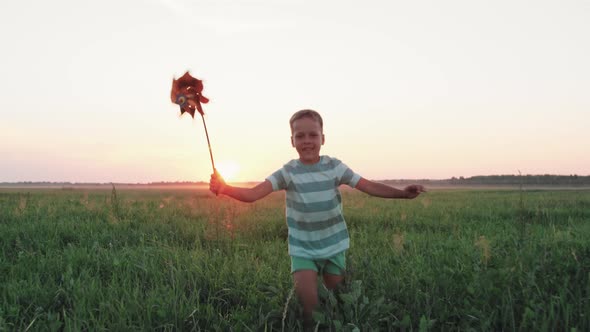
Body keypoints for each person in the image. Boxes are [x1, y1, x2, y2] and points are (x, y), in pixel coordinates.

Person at [209, 109, 425, 328]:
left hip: (334, 247)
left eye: (313, 135)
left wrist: (402, 193)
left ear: (323, 138)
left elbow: (368, 186)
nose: (307, 141)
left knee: (337, 304)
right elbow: (252, 194)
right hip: (303, 250)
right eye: (300, 136)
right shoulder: (288, 172)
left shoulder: (335, 167)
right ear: (292, 141)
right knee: (311, 310)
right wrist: (225, 188)